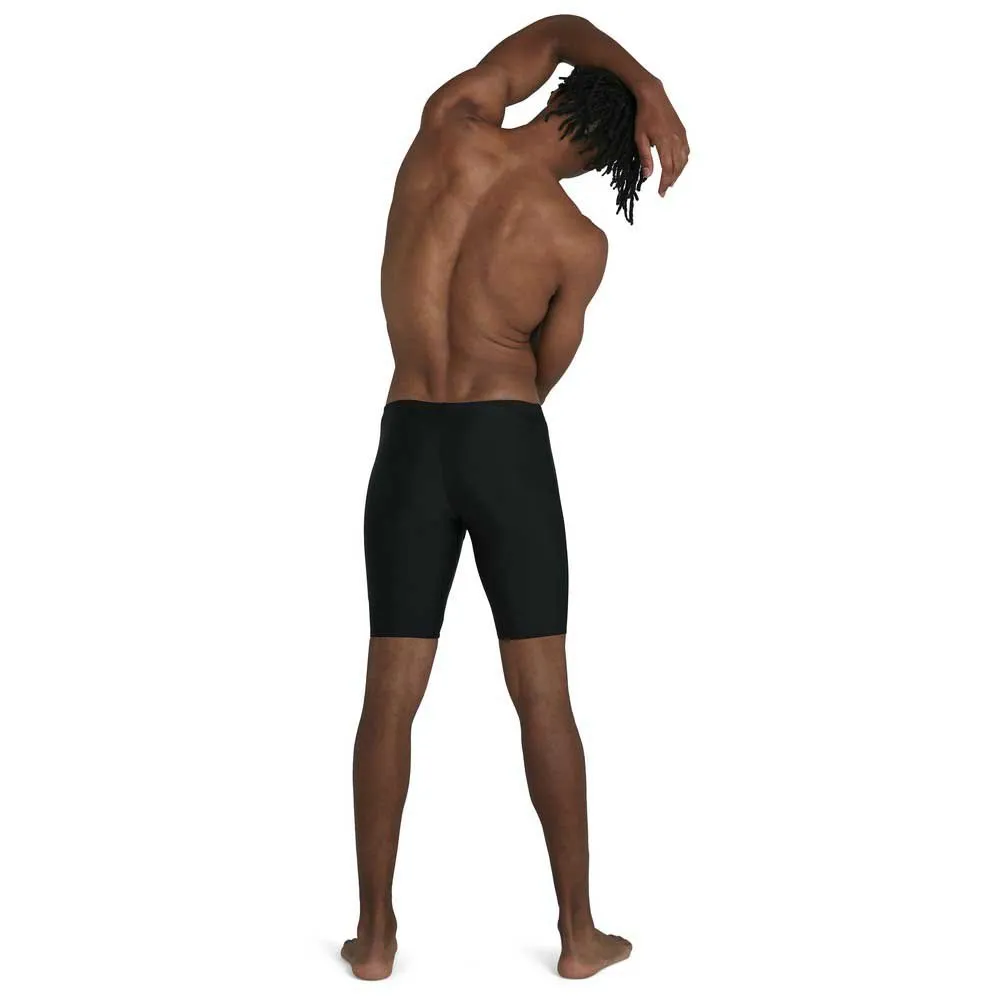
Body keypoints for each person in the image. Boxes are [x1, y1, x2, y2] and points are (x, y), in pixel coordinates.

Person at [343, 14, 689, 981]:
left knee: (389, 694)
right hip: (504, 443)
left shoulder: (448, 124)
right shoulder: (578, 242)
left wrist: (643, 81)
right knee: (542, 692)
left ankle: (375, 939)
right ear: (613, 154)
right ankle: (579, 936)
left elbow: (561, 29)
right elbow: (542, 375)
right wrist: (655, 94)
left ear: (556, 95)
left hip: (409, 436)